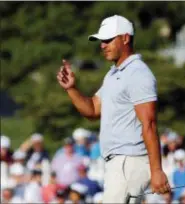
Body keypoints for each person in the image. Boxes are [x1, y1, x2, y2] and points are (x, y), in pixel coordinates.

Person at [56, 15, 171, 203]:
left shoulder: (138, 73)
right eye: (101, 41)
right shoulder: (113, 74)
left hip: (130, 161)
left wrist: (156, 171)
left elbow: (149, 124)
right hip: (118, 163)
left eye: (108, 40)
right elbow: (92, 110)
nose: (102, 45)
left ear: (125, 38)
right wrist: (71, 89)